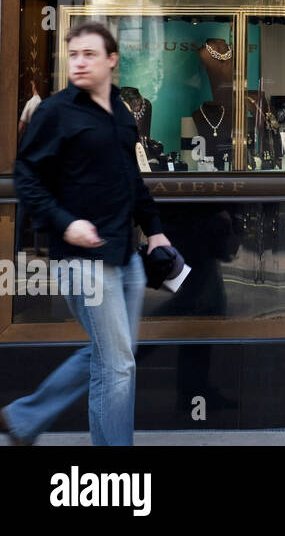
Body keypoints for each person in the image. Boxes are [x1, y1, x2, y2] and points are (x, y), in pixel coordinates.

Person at [1, 22, 172, 446]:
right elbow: (26, 177)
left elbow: (131, 181)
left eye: (89, 54)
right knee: (117, 366)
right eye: (73, 54)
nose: (78, 62)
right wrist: (66, 223)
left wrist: (156, 233)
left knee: (112, 356)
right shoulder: (56, 111)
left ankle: (22, 419)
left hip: (125, 256)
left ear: (111, 60)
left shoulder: (122, 113)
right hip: (81, 260)